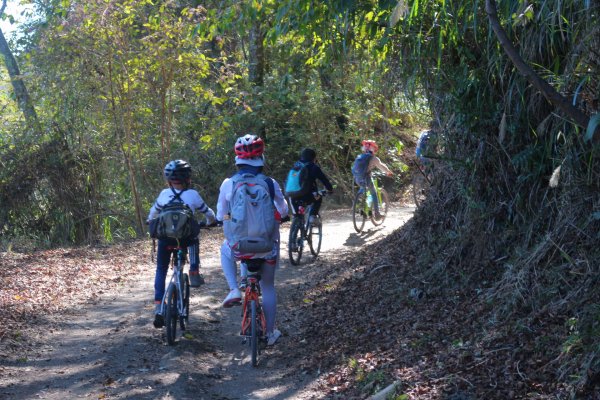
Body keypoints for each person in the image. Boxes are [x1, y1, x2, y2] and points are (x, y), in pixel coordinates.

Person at [216, 134, 288, 346]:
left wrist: (229, 218)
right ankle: (271, 332)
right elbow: (283, 209)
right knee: (268, 287)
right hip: (267, 247)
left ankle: (233, 289)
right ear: (261, 156)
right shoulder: (269, 182)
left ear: (237, 158)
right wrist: (281, 216)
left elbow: (221, 215)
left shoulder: (229, 183)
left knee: (224, 249)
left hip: (239, 247)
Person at [147, 160, 216, 328]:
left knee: (161, 269)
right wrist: (210, 222)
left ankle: (158, 307)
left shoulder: (164, 194)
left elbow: (153, 214)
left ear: (169, 180)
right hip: (185, 239)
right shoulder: (193, 195)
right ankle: (193, 270)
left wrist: (150, 222)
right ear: (188, 178)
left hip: (165, 239)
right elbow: (209, 214)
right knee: (194, 238)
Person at [289, 148, 334, 225]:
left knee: (297, 215)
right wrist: (330, 189)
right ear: (313, 158)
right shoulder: (314, 167)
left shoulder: (296, 166)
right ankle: (312, 216)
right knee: (318, 198)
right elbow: (324, 180)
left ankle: (296, 221)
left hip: (292, 195)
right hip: (308, 196)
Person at [354, 140, 393, 219]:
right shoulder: (373, 158)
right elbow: (381, 166)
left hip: (357, 178)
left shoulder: (360, 157)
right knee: (374, 193)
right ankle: (377, 214)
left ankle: (360, 204)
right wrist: (388, 172)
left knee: (363, 188)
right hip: (366, 178)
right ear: (374, 149)